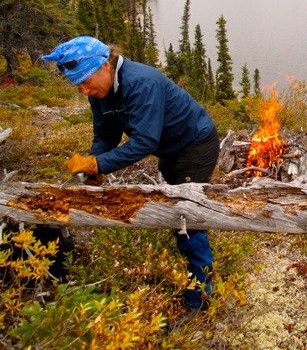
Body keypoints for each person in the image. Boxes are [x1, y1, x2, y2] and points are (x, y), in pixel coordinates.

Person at [43, 36, 220, 309]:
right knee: (178, 213)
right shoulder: (100, 92)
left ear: (105, 66)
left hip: (195, 145)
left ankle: (200, 298)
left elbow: (144, 142)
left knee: (187, 217)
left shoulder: (140, 82)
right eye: (79, 86)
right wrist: (94, 161)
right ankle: (192, 268)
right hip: (170, 150)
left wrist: (99, 164)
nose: (85, 91)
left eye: (86, 82)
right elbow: (106, 135)